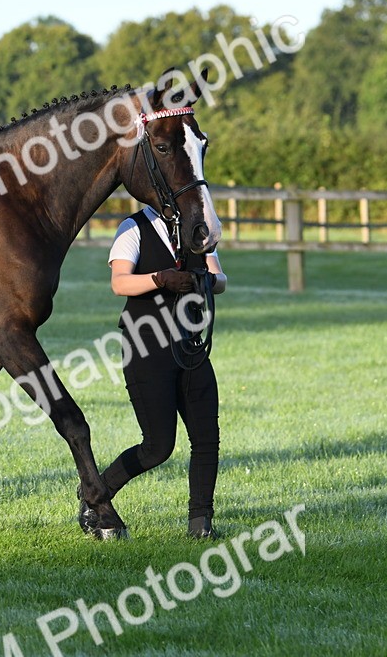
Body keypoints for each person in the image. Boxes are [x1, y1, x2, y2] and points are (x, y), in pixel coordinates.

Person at [99, 205, 227, 539]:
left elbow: (221, 279)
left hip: (191, 345)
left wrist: (206, 279)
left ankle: (201, 524)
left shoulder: (198, 228)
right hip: (146, 349)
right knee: (157, 447)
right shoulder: (133, 226)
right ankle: (95, 493)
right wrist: (159, 278)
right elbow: (119, 283)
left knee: (206, 438)